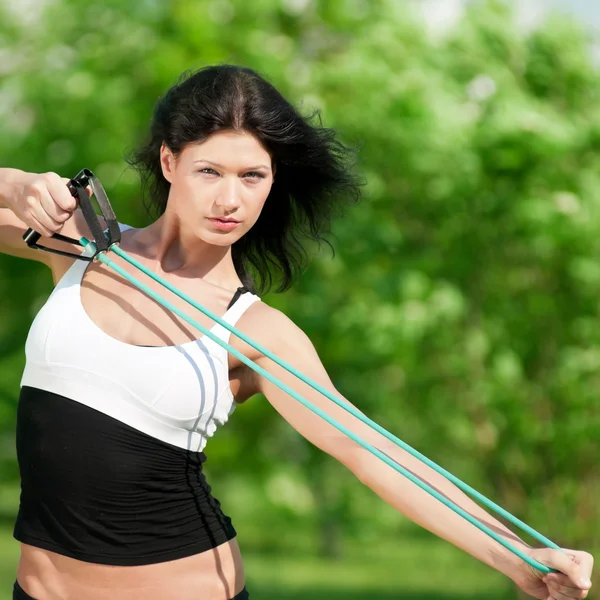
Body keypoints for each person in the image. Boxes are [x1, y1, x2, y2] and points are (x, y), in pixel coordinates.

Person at [0, 64, 593, 600]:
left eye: (253, 176)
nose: (230, 199)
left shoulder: (256, 332)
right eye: (209, 170)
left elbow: (371, 450)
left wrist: (518, 558)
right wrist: (17, 184)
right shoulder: (79, 242)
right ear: (168, 161)